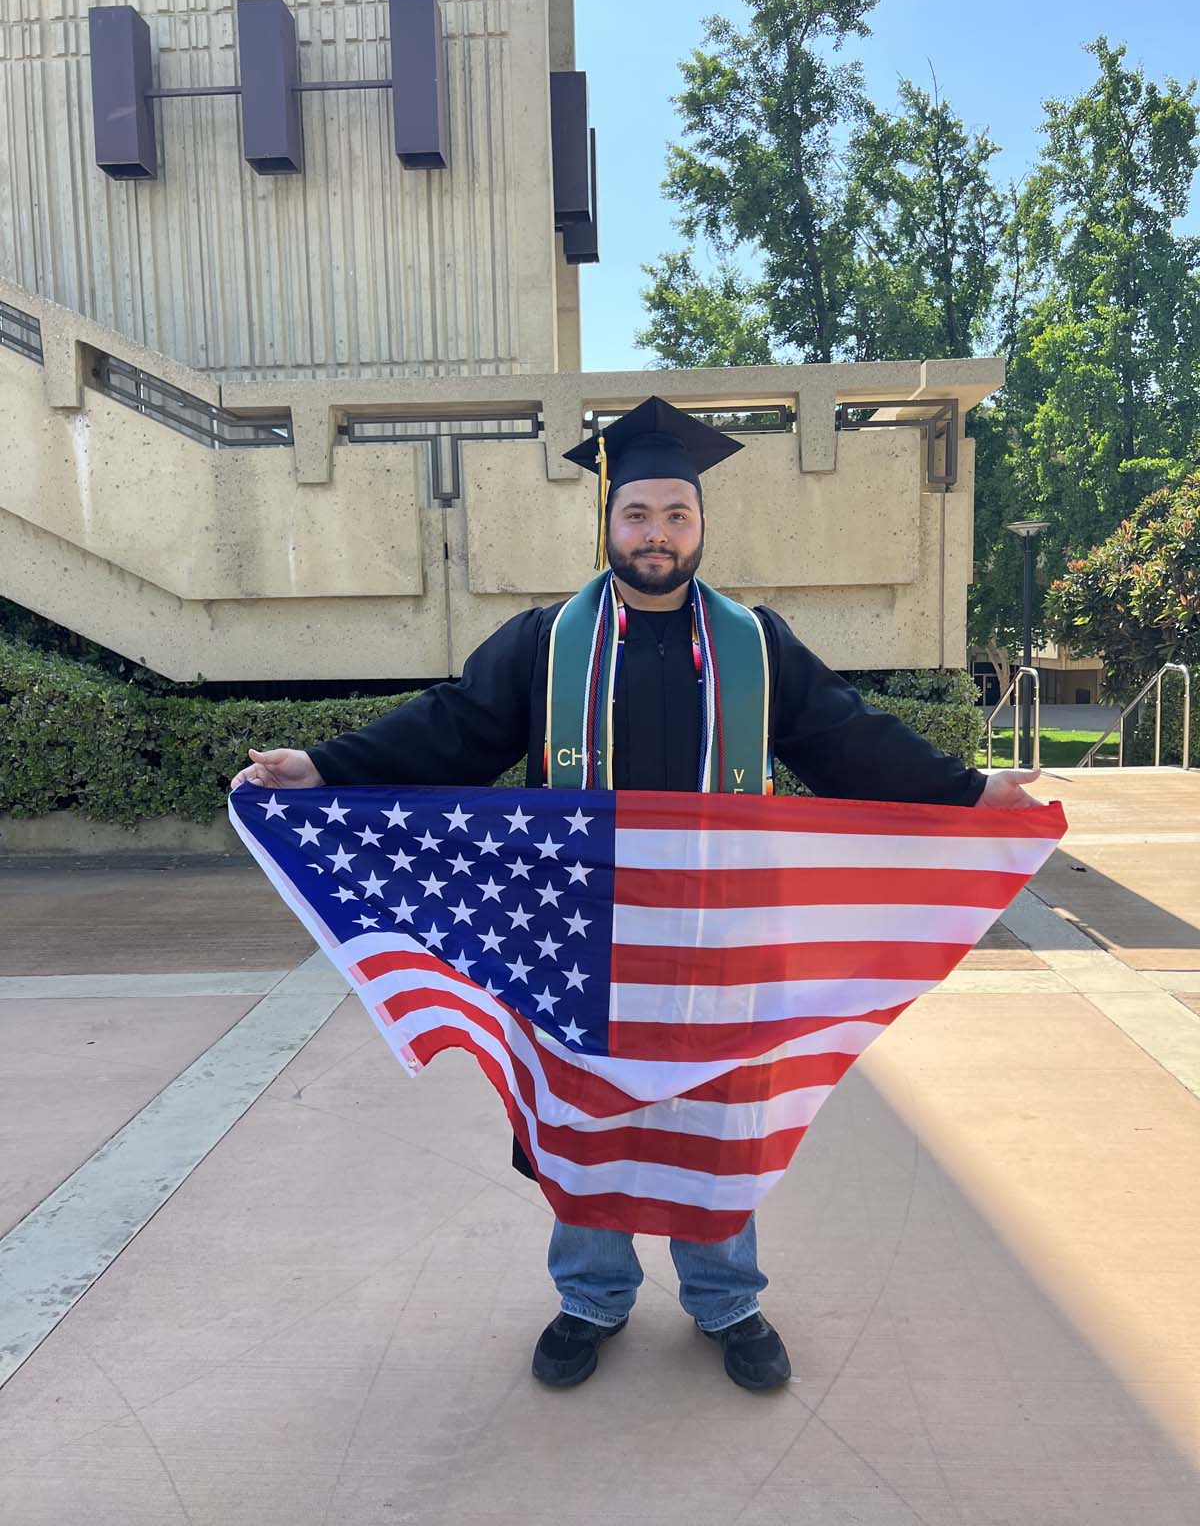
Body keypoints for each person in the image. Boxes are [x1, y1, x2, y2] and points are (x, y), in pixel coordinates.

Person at [232, 395, 1041, 1393]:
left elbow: (845, 735)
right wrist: (326, 770)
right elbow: (449, 730)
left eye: (676, 516)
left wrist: (969, 791)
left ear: (701, 526)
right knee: (584, 1106)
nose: (657, 535)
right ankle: (592, 1297)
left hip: (718, 934)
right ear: (607, 523)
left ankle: (725, 1297)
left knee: (720, 1107)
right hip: (573, 934)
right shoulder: (543, 641)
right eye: (639, 515)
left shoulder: (753, 642)